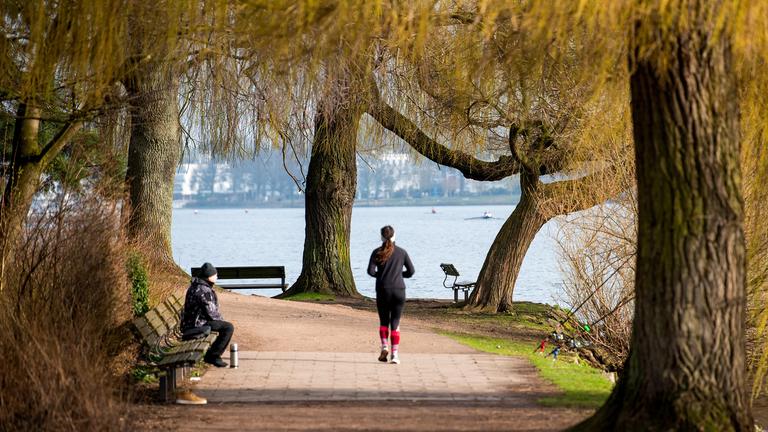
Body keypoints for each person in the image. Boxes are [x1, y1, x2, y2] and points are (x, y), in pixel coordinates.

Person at [367, 225, 415, 364]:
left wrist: (381, 276)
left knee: (384, 322)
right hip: (399, 290)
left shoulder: (377, 252)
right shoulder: (402, 252)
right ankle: (395, 355)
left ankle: (384, 346)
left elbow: (370, 271)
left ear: (381, 237)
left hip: (383, 290)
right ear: (395, 236)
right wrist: (400, 275)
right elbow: (411, 271)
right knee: (395, 322)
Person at [181, 262, 235, 368]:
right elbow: (212, 314)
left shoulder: (197, 286)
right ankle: (213, 356)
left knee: (224, 326)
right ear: (209, 276)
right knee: (228, 327)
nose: (217, 276)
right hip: (197, 324)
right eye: (215, 275)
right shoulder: (203, 290)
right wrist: (222, 322)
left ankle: (213, 355)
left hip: (193, 321)